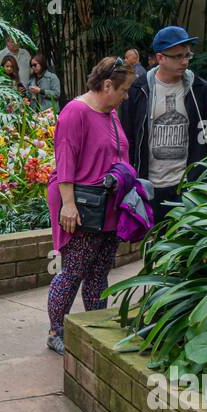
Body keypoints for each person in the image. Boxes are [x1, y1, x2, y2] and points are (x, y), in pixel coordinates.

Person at [45, 57, 136, 355]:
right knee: (72, 271)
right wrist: (68, 205)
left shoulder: (110, 114)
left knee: (99, 272)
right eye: (123, 90)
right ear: (107, 85)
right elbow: (65, 159)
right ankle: (56, 331)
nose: (125, 97)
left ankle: (94, 327)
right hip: (81, 203)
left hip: (108, 204)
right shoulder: (76, 111)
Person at [121, 26, 207, 227]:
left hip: (187, 187)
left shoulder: (199, 89)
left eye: (187, 55)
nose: (184, 61)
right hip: (149, 187)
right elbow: (128, 138)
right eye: (177, 56)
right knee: (153, 248)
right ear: (160, 58)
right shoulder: (138, 90)